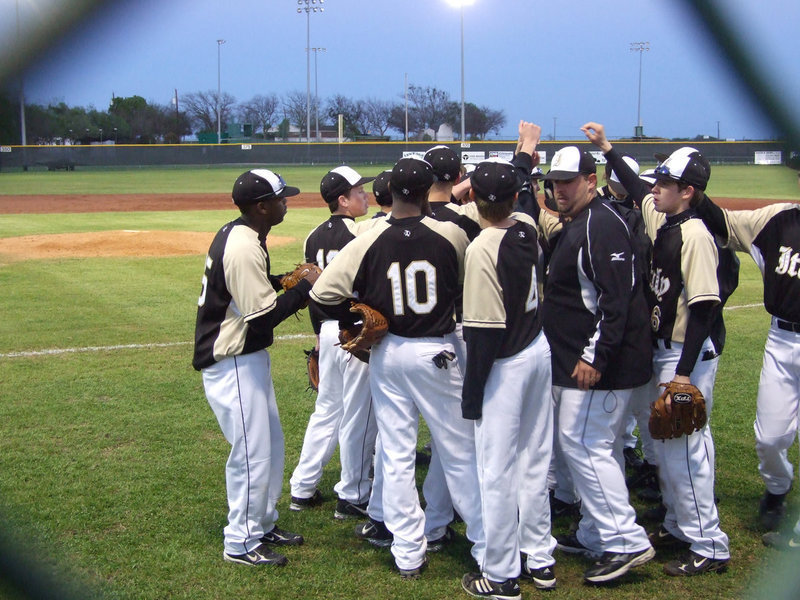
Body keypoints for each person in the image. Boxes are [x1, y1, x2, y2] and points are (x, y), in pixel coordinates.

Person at [309, 157, 485, 579]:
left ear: (390, 192)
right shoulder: (451, 234)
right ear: (426, 193)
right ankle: (488, 546)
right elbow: (468, 284)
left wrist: (356, 317)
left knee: (396, 454)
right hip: (436, 351)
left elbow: (321, 293)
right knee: (460, 453)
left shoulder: (367, 236)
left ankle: (408, 552)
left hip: (387, 353)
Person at [583, 122, 731, 576]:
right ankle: (677, 525)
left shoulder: (696, 235)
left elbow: (703, 309)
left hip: (685, 354)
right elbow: (634, 185)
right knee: (664, 448)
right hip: (663, 351)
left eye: (666, 183)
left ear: (688, 192)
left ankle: (709, 544)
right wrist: (607, 148)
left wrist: (683, 374)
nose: (656, 187)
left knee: (684, 450)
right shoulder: (664, 219)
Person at [539, 145, 655, 584]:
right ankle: (595, 531)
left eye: (568, 181)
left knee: (584, 444)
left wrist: (595, 356)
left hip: (599, 367)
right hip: (587, 361)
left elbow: (616, 299)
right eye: (555, 182)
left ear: (592, 181)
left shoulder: (600, 224)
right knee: (596, 446)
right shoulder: (585, 220)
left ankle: (625, 540)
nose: (560, 189)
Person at [192, 168, 319, 566]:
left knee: (270, 446)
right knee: (252, 453)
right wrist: (304, 289)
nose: (286, 203)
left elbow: (250, 287)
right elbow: (262, 320)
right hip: (232, 362)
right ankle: (240, 541)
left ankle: (262, 523)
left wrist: (281, 281)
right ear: (262, 207)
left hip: (246, 358)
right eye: (281, 198)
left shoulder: (243, 233)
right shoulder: (243, 246)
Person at [459, 152, 557, 598]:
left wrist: (472, 393)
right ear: (516, 197)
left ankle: (500, 573)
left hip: (505, 363)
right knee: (534, 461)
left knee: (496, 471)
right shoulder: (527, 226)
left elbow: (483, 333)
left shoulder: (482, 248)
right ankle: (540, 557)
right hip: (537, 349)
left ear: (474, 198)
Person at [689, 188, 800, 534]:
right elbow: (725, 223)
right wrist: (695, 195)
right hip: (782, 341)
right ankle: (777, 489)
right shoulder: (777, 219)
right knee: (769, 438)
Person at [289, 166, 378, 520]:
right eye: (358, 192)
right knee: (359, 416)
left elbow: (313, 291)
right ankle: (353, 494)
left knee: (326, 411)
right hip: (355, 333)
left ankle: (302, 486)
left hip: (326, 331)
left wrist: (318, 337)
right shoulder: (359, 233)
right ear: (342, 200)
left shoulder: (312, 236)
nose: (365, 196)